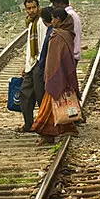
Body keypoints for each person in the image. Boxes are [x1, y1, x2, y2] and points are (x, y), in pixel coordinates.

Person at [31, 8, 80, 144]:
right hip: (64, 75)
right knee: (60, 105)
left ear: (58, 19)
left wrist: (49, 76)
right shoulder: (68, 33)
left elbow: (52, 59)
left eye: (53, 18)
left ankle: (47, 133)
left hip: (56, 77)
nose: (51, 21)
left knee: (48, 107)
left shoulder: (57, 35)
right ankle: (67, 128)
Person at [18, 0, 47, 133]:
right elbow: (30, 47)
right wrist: (27, 65)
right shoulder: (31, 24)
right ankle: (28, 123)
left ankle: (44, 124)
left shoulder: (41, 23)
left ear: (38, 7)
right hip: (32, 64)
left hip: (39, 64)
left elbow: (42, 45)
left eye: (33, 7)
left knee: (40, 95)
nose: (31, 11)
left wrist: (39, 64)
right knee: (25, 93)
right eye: (28, 8)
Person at [50, 0, 82, 65]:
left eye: (55, 5)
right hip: (72, 53)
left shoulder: (68, 16)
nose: (54, 7)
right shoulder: (72, 14)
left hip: (70, 55)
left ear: (61, 3)